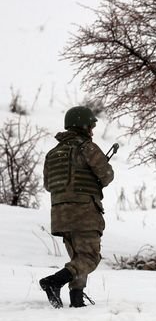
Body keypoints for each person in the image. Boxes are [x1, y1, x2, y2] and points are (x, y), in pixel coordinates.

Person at [39, 106, 114, 308]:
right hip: (85, 212)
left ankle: (77, 299)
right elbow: (107, 176)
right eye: (91, 126)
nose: (92, 130)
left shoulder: (52, 153)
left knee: (78, 258)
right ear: (83, 126)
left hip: (60, 215)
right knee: (89, 257)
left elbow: (48, 185)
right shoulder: (87, 148)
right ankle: (54, 282)